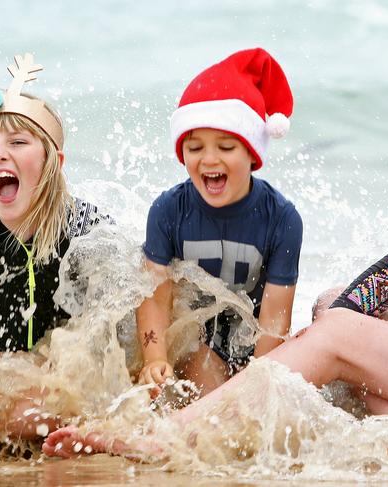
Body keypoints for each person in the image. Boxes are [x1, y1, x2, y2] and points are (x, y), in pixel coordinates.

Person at [43, 20, 388, 459]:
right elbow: (383, 280)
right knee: (335, 306)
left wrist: (323, 347)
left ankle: (167, 434)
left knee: (341, 337)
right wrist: (320, 338)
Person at [0, 54, 111, 446]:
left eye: (18, 142)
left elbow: (116, 319)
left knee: (44, 407)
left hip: (49, 392)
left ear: (54, 162)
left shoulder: (85, 227)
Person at [137, 48, 303, 396]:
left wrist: (257, 382)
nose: (209, 159)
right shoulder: (168, 211)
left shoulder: (282, 219)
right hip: (195, 338)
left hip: (253, 341)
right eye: (195, 148)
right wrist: (154, 358)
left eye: (226, 147)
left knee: (250, 402)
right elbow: (156, 296)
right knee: (206, 380)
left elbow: (274, 318)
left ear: (252, 154)